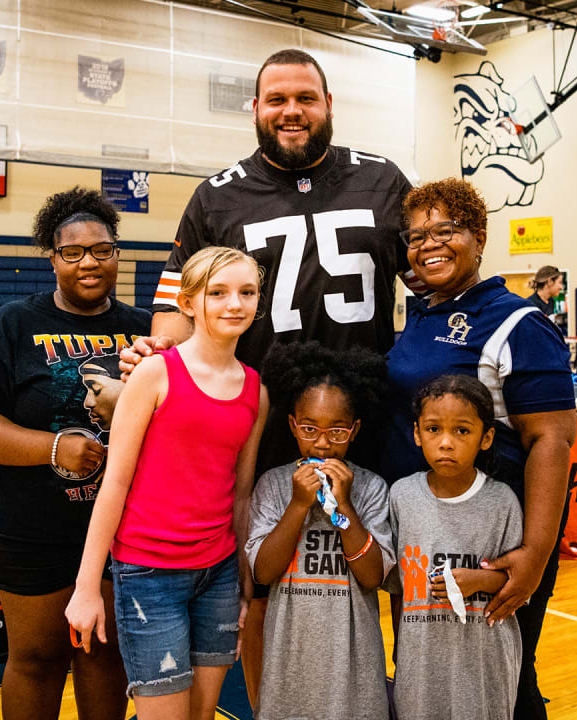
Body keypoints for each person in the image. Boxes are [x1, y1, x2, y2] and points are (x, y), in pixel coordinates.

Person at [122, 47, 419, 711]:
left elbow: (431, 272)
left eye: (305, 98)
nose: (292, 111)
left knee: (383, 569)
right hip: (258, 418)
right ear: (255, 109)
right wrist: (160, 357)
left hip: (366, 416)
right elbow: (176, 300)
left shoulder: (383, 180)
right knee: (259, 584)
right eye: (277, 99)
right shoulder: (217, 195)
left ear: (328, 106)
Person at [0, 186, 149, 720]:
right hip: (28, 526)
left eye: (101, 249)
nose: (89, 262)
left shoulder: (142, 330)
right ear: (52, 258)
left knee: (104, 652)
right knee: (37, 657)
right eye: (72, 252)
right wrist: (53, 447)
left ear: (117, 254)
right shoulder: (12, 325)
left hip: (117, 528)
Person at [381, 178, 575, 720]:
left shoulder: (518, 321)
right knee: (428, 675)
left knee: (503, 679)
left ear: (479, 237)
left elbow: (552, 440)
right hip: (425, 536)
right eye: (417, 236)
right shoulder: (423, 312)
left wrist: (534, 556)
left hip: (493, 542)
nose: (430, 245)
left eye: (446, 230)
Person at [66, 246, 268, 720]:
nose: (234, 304)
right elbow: (114, 482)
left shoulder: (255, 390)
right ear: (188, 302)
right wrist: (87, 585)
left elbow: (240, 494)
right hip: (149, 577)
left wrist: (241, 579)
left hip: (217, 575)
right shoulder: (156, 374)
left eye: (247, 292)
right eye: (217, 293)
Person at [245, 341, 393, 720]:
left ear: (355, 430)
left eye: (337, 431)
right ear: (293, 425)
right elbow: (263, 572)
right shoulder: (275, 486)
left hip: (353, 671)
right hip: (288, 668)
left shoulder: (372, 488)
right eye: (310, 428)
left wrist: (344, 507)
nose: (323, 443)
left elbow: (372, 575)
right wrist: (297, 505)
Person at [390, 374, 523, 720]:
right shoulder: (401, 496)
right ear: (417, 433)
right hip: (420, 662)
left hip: (484, 659)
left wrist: (479, 581)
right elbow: (396, 586)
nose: (446, 442)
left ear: (486, 437)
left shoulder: (502, 501)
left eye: (462, 431)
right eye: (434, 429)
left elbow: (518, 583)